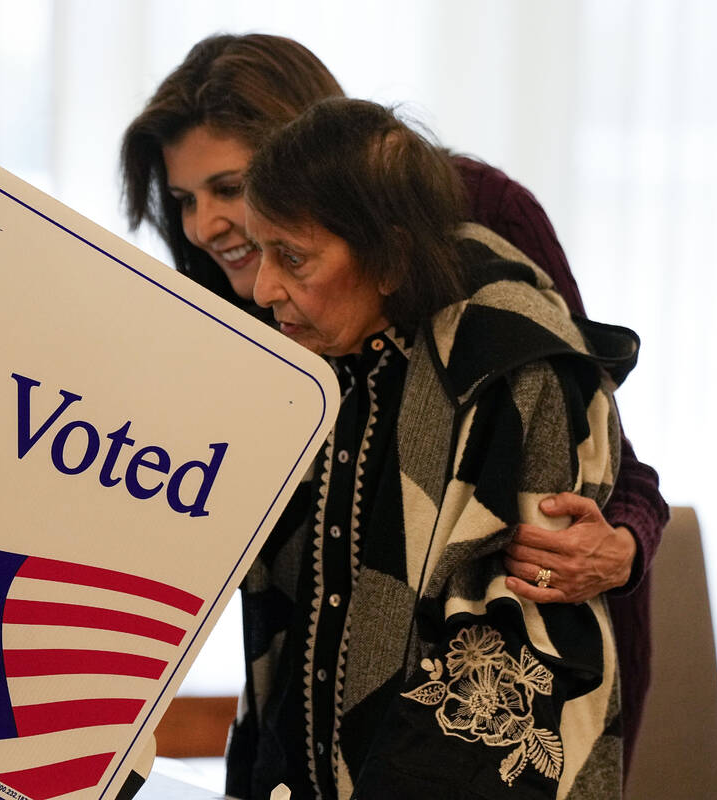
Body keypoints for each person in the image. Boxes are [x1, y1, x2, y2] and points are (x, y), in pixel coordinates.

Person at [119, 33, 668, 776]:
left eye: (229, 187)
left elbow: (591, 434)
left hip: (516, 682)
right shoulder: (237, 276)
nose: (204, 225)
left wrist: (625, 543)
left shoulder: (482, 218)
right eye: (183, 199)